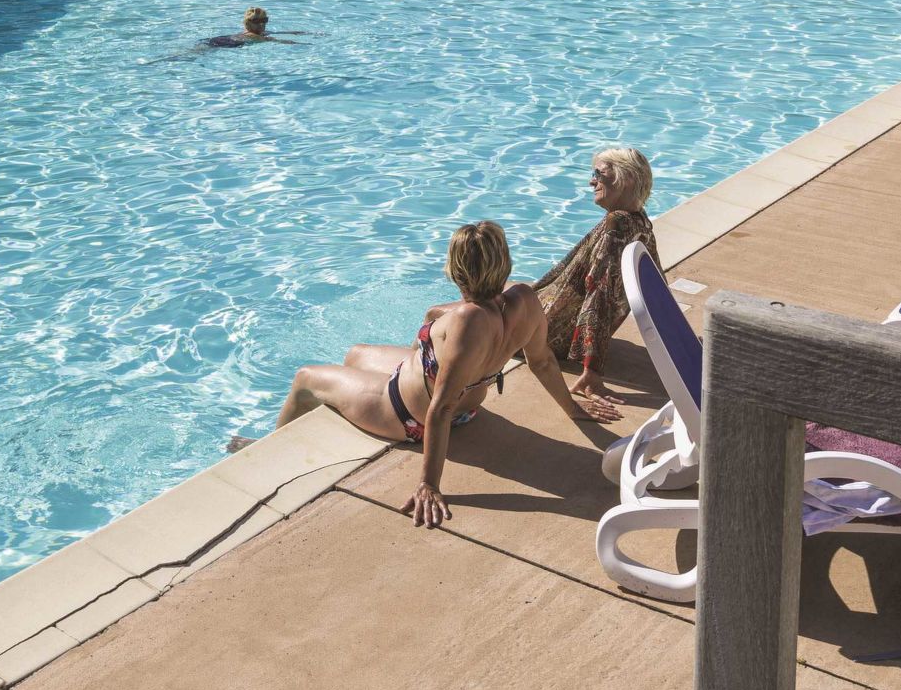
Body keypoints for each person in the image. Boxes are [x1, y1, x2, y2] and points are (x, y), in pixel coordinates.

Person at [270, 220, 622, 528]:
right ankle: (377, 387)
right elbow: (542, 361)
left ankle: (268, 448)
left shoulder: (466, 323)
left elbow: (440, 408)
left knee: (305, 378)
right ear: (504, 262)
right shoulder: (525, 299)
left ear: (456, 270)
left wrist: (429, 484)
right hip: (468, 406)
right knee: (355, 354)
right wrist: (572, 408)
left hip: (408, 415)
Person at [535, 147, 660, 399]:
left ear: (628, 178)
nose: (592, 181)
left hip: (546, 329)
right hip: (551, 314)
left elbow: (600, 295)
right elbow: (656, 284)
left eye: (599, 173)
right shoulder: (640, 221)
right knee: (506, 286)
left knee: (437, 313)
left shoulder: (617, 225)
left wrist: (592, 371)